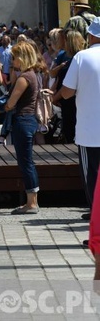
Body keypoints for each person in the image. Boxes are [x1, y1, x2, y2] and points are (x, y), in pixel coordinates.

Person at [56, 18, 100, 230]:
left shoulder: (82, 57)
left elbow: (66, 92)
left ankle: (96, 221)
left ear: (91, 36)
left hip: (89, 131)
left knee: (91, 177)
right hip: (90, 130)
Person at [6, 41, 42, 214]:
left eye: (14, 57)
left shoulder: (24, 78)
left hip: (22, 119)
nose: (12, 60)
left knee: (25, 161)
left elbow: (10, 103)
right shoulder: (32, 75)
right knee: (27, 160)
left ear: (22, 57)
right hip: (30, 119)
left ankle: (31, 203)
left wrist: (4, 105)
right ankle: (32, 200)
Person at [54, 30, 85, 144]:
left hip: (70, 101)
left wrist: (54, 98)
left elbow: (66, 86)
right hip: (67, 101)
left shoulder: (75, 60)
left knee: (71, 130)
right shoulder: (70, 59)